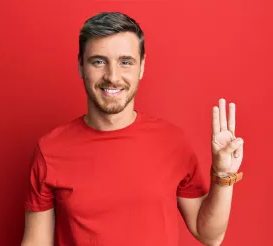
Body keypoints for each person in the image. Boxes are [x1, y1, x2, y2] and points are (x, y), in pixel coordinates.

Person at [21, 12, 245, 246]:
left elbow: (209, 235)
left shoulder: (172, 141)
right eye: (99, 61)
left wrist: (223, 176)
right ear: (80, 66)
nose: (113, 76)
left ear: (141, 67)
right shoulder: (50, 150)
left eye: (125, 62)